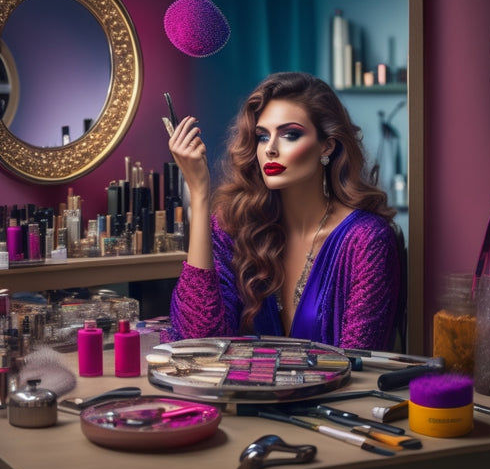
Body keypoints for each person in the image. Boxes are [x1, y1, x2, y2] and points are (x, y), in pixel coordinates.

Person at [165, 71, 400, 350]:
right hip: (245, 393)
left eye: (290, 135)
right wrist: (200, 193)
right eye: (262, 137)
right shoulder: (239, 228)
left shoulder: (366, 240)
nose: (271, 149)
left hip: (339, 394)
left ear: (327, 144)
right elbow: (198, 341)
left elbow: (360, 360)